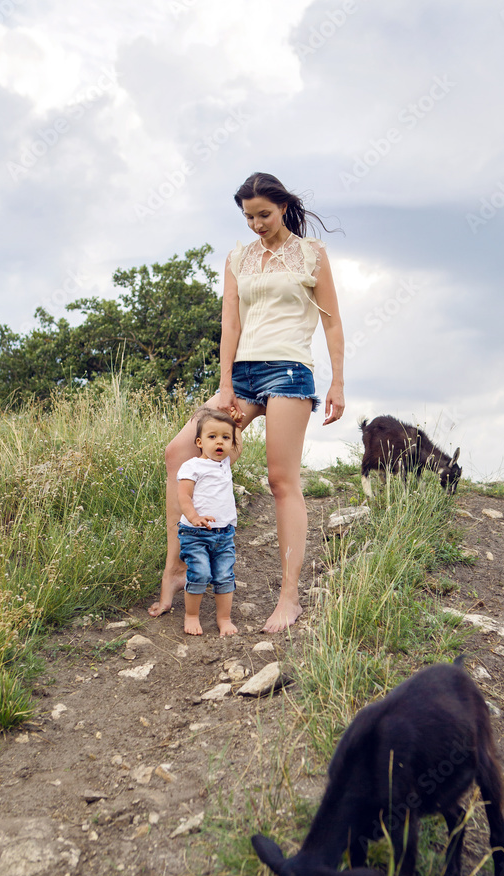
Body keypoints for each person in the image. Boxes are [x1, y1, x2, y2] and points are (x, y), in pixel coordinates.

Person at [148, 171, 345, 631]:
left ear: (282, 207)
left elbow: (332, 323)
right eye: (248, 216)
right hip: (243, 374)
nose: (256, 224)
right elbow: (230, 325)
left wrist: (337, 383)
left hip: (290, 371)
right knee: (178, 451)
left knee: (281, 480)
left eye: (264, 214)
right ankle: (178, 567)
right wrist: (224, 384)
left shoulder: (312, 255)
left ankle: (289, 596)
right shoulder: (238, 258)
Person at [177, 407, 239, 637]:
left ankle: (224, 618)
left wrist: (237, 423)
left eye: (225, 438)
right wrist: (194, 517)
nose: (219, 442)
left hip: (224, 534)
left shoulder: (225, 464)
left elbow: (235, 436)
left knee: (224, 575)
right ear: (199, 442)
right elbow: (184, 496)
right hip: (195, 532)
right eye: (212, 437)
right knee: (200, 573)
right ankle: (191, 615)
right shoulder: (192, 466)